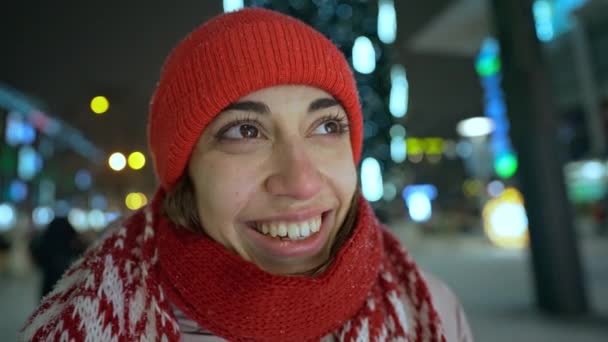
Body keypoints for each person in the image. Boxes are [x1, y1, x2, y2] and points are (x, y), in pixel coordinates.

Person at [20, 8, 472, 341]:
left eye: (327, 126)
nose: (301, 183)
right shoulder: (82, 322)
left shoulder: (432, 312)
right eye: (245, 131)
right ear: (186, 171)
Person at [28, 217, 85, 299]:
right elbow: (79, 249)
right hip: (65, 280)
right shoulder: (67, 238)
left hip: (48, 282)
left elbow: (38, 257)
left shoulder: (46, 240)